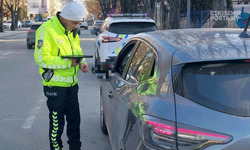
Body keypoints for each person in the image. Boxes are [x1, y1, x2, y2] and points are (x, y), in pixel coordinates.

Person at [34, 1, 88, 150]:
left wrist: (81, 61)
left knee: (75, 121)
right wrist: (69, 63)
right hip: (55, 87)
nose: (77, 26)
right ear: (65, 18)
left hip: (71, 85)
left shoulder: (71, 30)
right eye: (75, 23)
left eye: (79, 23)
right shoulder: (46, 30)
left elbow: (76, 50)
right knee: (57, 125)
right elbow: (41, 59)